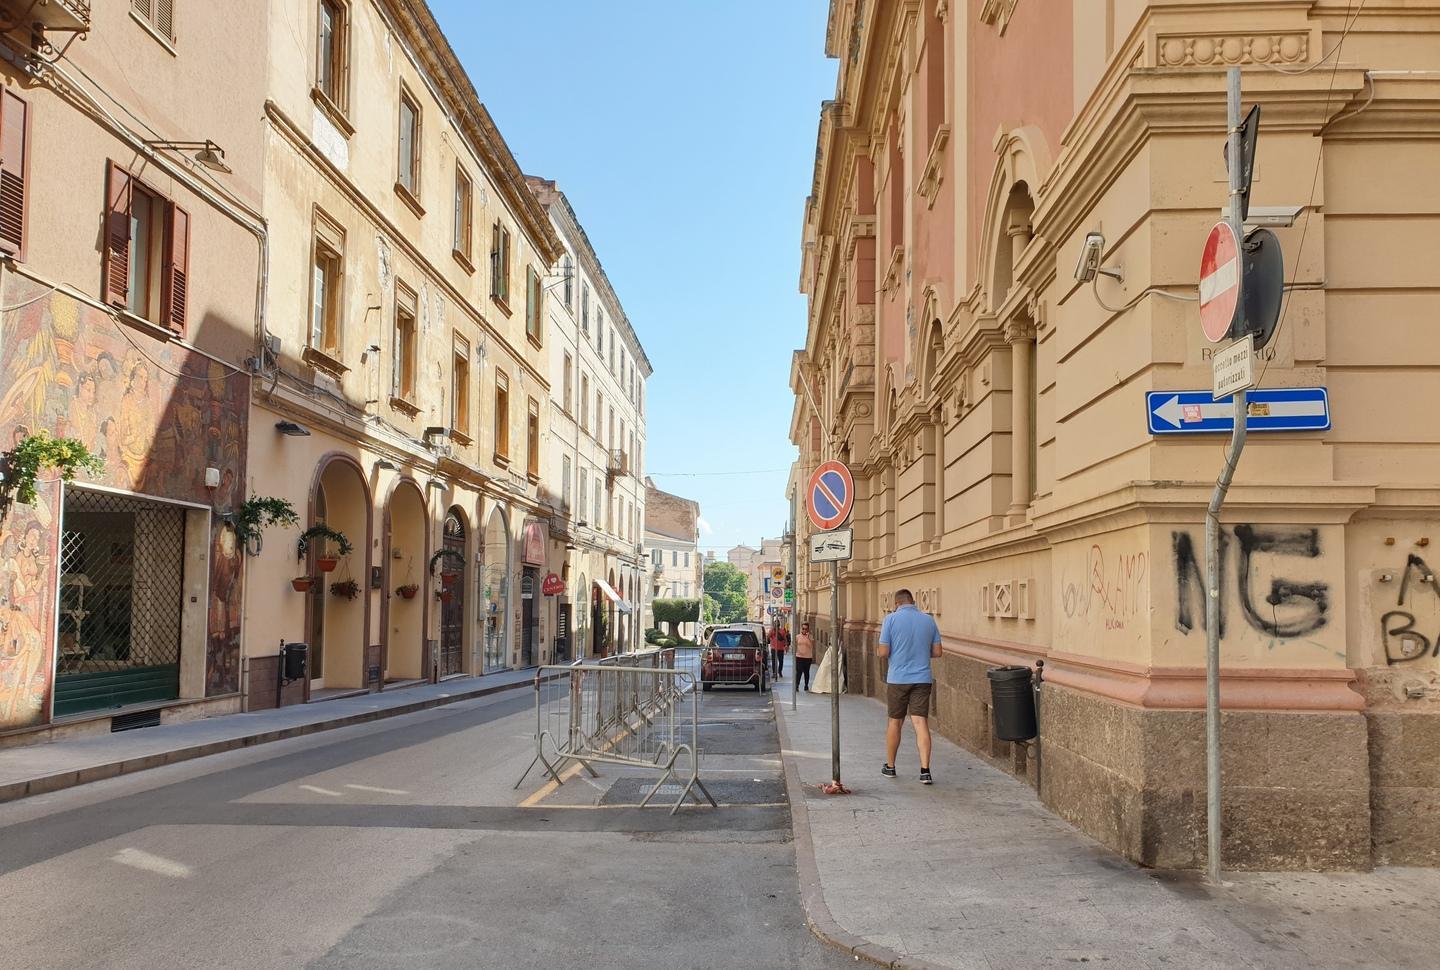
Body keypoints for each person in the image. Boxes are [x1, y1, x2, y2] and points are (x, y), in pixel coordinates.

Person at [877, 589, 942, 785]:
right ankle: (925, 771)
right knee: (920, 722)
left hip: (898, 678)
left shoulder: (891, 619)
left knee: (895, 722)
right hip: (922, 677)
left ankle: (890, 766)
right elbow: (937, 652)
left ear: (897, 603)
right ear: (912, 601)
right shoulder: (928, 620)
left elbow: (883, 651)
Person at [794, 622, 815, 691]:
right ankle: (797, 685)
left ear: (808, 629)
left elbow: (811, 646)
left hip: (808, 657)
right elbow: (795, 645)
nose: (804, 630)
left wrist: (808, 638)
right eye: (803, 629)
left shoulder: (810, 637)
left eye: (806, 629)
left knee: (806, 672)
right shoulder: (797, 636)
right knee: (799, 671)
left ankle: (806, 685)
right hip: (799, 657)